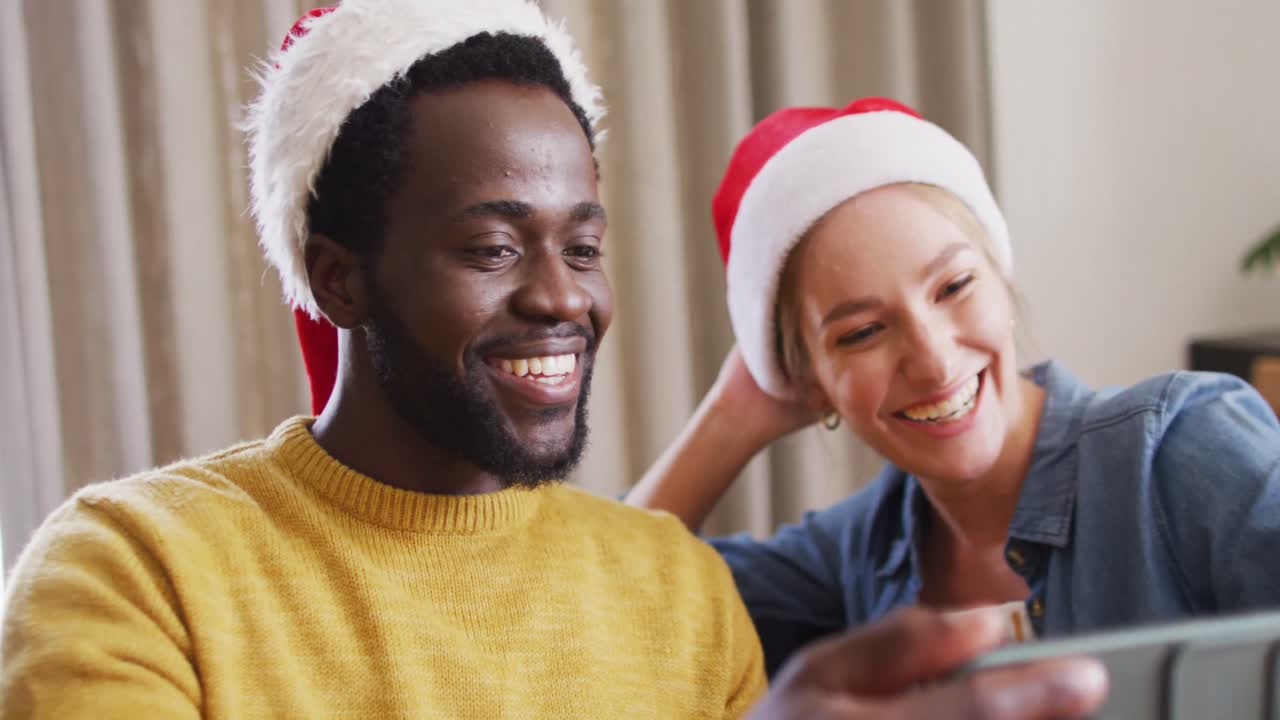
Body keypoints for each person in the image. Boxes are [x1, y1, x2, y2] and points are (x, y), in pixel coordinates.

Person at [1, 3, 1107, 717]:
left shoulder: (674, 588)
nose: (561, 296)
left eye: (582, 245)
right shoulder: (136, 571)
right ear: (338, 278)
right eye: (491, 247)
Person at [629, 96, 1280, 676]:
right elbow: (598, 610)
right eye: (860, 333)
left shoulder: (1178, 451)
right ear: (812, 385)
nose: (935, 363)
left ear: (1001, 278)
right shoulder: (856, 552)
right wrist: (728, 420)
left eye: (954, 287)